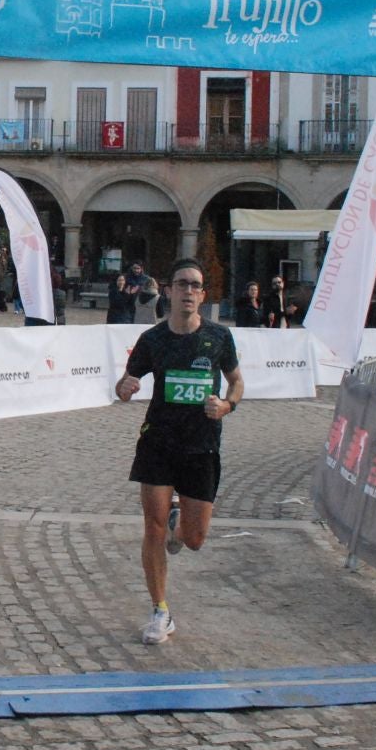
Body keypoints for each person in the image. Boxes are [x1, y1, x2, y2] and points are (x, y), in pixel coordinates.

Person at [113, 258, 244, 645]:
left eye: (196, 285)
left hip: (201, 447)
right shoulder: (153, 340)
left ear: (202, 295)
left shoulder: (219, 338)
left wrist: (226, 405)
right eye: (181, 284)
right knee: (151, 528)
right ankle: (160, 611)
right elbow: (127, 379)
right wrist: (125, 387)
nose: (188, 291)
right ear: (168, 291)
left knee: (195, 539)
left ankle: (178, 523)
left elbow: (236, 382)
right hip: (158, 443)